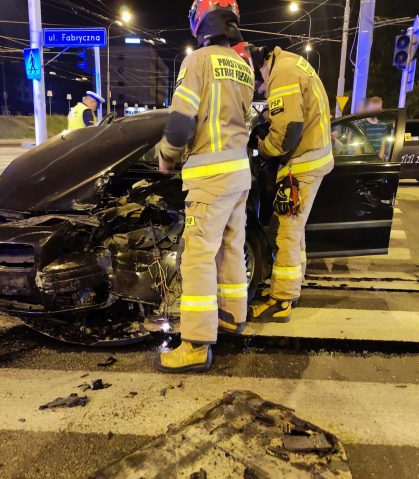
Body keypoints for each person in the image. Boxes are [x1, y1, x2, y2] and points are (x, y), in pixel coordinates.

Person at [154, 0, 254, 373]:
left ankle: (195, 344)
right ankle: (230, 317)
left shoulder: (197, 61)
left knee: (197, 257)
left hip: (209, 178)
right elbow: (245, 120)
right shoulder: (244, 67)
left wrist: (166, 157)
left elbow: (180, 122)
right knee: (231, 249)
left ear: (201, 20)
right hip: (238, 174)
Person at [246, 45, 334, 322]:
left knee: (285, 229)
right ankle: (292, 287)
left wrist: (265, 148)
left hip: (303, 164)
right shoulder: (291, 63)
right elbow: (290, 114)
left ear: (259, 67)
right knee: (295, 230)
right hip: (312, 157)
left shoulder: (281, 73)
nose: (260, 89)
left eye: (257, 83)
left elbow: (290, 129)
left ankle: (281, 299)